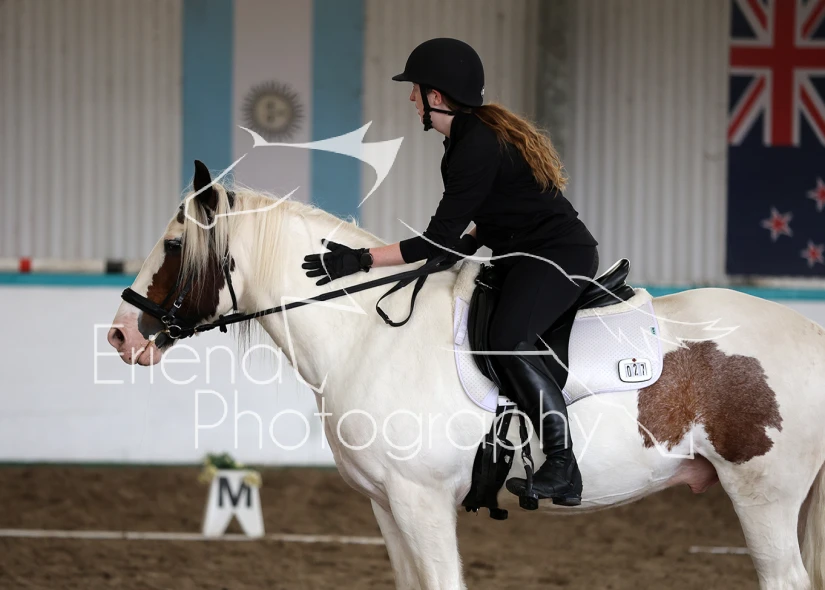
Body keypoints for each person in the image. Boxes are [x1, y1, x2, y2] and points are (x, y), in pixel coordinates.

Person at [302, 38, 599, 507]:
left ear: (436, 96)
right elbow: (497, 208)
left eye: (416, 90)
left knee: (506, 340)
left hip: (556, 256)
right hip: (520, 252)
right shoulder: (467, 139)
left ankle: (563, 464)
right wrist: (468, 243)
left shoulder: (474, 145)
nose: (411, 98)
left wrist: (360, 259)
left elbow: (432, 240)